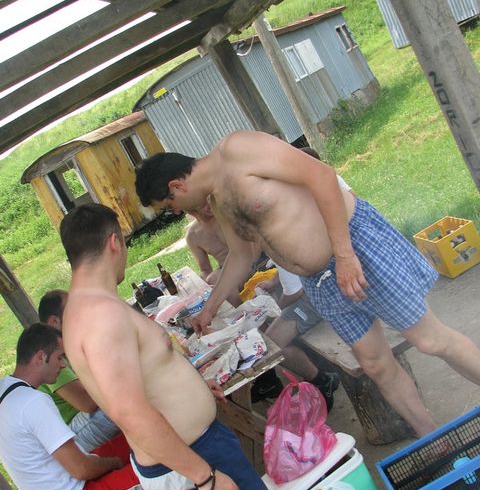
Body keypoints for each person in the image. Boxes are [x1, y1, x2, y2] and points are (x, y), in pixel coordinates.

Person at [135, 130, 480, 438]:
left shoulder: (238, 149)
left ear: (176, 186)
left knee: (429, 339)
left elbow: (322, 176)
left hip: (352, 249)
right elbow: (240, 255)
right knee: (375, 365)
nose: (176, 211)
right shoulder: (218, 200)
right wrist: (209, 309)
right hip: (319, 281)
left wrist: (344, 255)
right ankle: (434, 438)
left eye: (169, 205)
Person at [59, 203, 319, 490]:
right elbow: (129, 411)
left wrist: (192, 387)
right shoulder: (102, 318)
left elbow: (140, 381)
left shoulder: (82, 310)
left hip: (184, 452)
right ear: (114, 242)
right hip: (192, 457)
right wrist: (205, 477)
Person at [0, 323, 157, 490]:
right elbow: (81, 469)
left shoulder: (7, 390)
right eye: (59, 357)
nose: (63, 364)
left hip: (66, 487)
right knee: (164, 476)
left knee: (140, 437)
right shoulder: (32, 402)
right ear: (40, 357)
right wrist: (115, 463)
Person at [38, 289, 119, 452]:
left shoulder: (70, 343)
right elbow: (87, 403)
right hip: (70, 436)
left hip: (86, 415)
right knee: (120, 402)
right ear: (54, 322)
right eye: (73, 310)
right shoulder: (48, 352)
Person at [259, 264, 338, 411]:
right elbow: (284, 264)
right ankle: (268, 382)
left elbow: (294, 292)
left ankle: (323, 381)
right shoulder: (275, 249)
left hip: (322, 293)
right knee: (270, 342)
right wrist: (274, 281)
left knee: (271, 346)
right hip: (315, 286)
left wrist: (275, 309)